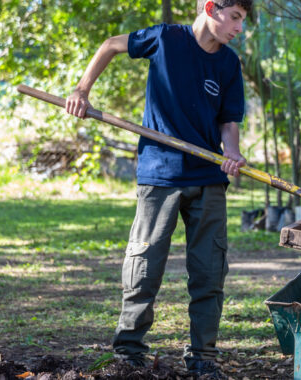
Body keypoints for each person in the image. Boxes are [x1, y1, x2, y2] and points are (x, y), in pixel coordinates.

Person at [65, 0, 253, 376]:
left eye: (243, 21)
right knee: (144, 266)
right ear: (211, 8)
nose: (239, 28)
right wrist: (82, 90)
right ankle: (129, 351)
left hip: (208, 178)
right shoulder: (166, 39)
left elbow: (229, 121)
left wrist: (230, 152)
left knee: (209, 272)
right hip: (160, 175)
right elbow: (110, 45)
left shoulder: (229, 64)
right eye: (235, 18)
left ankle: (204, 356)